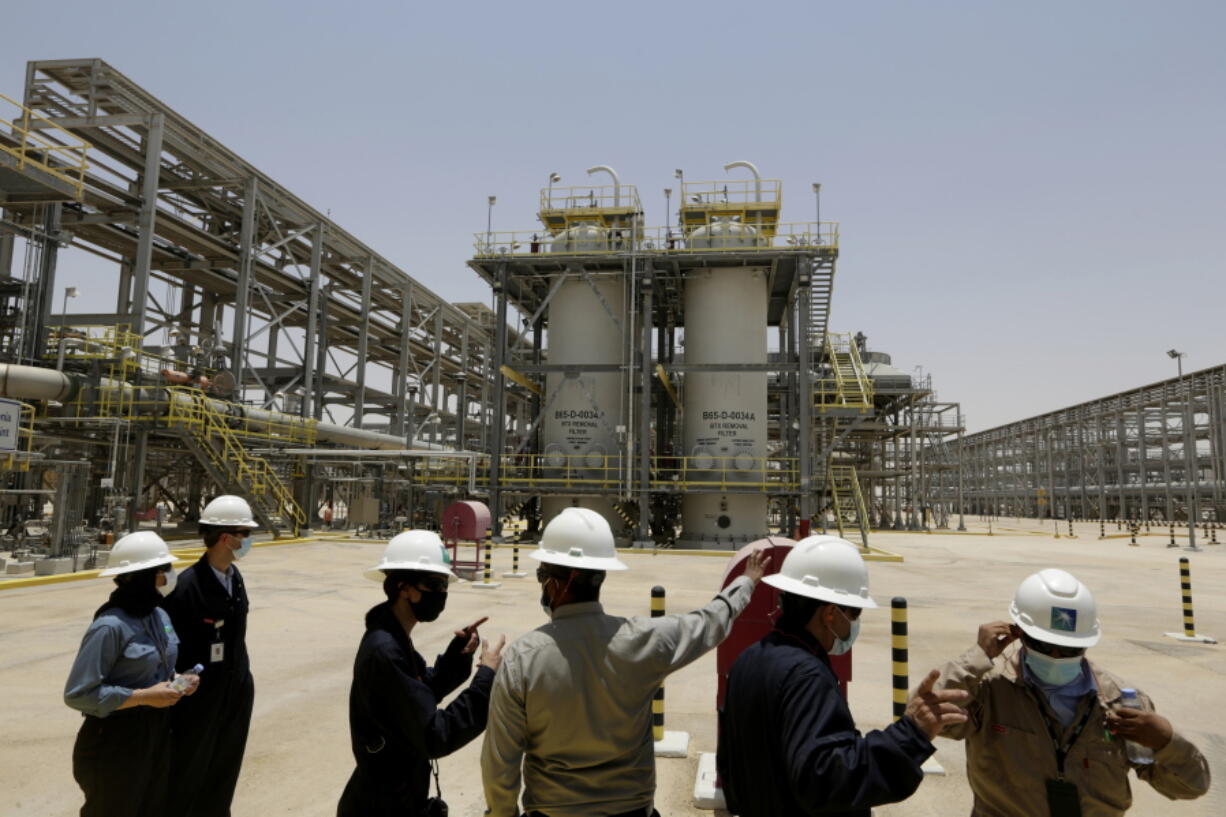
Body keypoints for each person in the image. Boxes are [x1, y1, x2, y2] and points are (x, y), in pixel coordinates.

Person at [481, 506, 769, 817]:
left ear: (558, 583)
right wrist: (746, 583)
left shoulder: (522, 659)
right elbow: (710, 622)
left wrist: (501, 813)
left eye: (543, 575)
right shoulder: (643, 639)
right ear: (601, 575)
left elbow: (500, 760)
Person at [718, 535, 968, 817]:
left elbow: (730, 765)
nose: (855, 623)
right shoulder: (807, 677)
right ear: (830, 614)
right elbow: (825, 780)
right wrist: (910, 735)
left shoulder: (749, 659)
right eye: (854, 612)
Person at [932, 567, 1210, 816]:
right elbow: (929, 719)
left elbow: (1189, 787)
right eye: (1043, 644)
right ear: (1019, 634)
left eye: (1068, 649)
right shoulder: (989, 689)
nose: (1055, 656)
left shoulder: (1120, 702)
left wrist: (1167, 742)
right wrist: (976, 657)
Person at [339, 529, 504, 817]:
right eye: (434, 584)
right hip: (382, 805)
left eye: (444, 584)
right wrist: (485, 678)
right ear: (404, 588)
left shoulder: (393, 638)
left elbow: (417, 692)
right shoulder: (385, 651)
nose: (442, 593)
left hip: (395, 795)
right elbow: (435, 735)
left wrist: (457, 657)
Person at [64, 531, 200, 816]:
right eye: (164, 570)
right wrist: (141, 696)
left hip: (156, 734)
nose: (170, 576)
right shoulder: (110, 626)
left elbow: (157, 668)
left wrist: (179, 680)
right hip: (115, 741)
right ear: (144, 576)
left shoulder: (158, 615)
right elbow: (79, 695)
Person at [161, 495, 259, 817]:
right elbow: (168, 646)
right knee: (189, 772)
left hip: (234, 692)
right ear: (226, 537)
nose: (248, 541)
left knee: (224, 770)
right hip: (198, 698)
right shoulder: (187, 587)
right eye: (244, 534)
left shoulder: (236, 579)